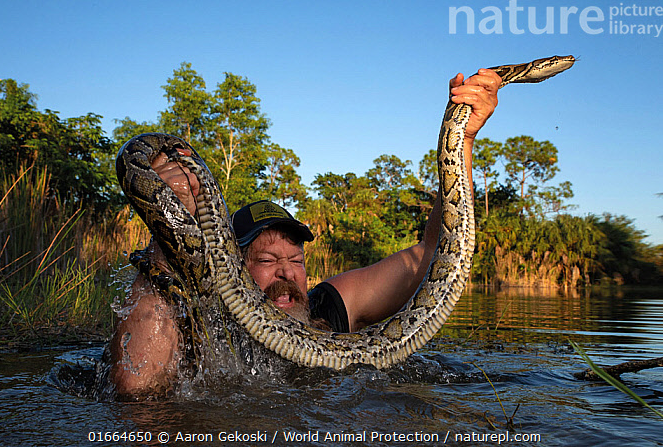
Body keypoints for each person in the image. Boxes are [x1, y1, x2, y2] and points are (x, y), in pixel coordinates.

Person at [109, 68, 501, 398]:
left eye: (295, 260)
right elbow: (136, 390)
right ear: (233, 265)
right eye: (266, 259)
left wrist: (461, 137)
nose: (286, 273)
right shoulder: (208, 322)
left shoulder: (327, 309)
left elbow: (435, 250)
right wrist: (169, 220)